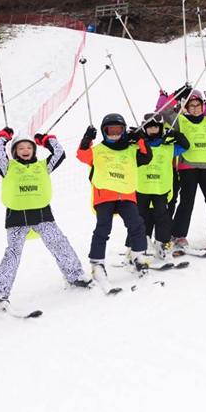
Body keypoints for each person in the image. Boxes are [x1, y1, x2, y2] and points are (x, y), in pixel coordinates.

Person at [0, 130, 90, 310]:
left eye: (29, 147)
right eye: (20, 147)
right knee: (13, 254)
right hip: (17, 217)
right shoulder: (8, 167)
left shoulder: (43, 166)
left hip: (42, 215)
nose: (25, 150)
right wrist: (2, 138)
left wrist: (47, 140)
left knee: (59, 243)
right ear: (14, 152)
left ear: (34, 150)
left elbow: (59, 153)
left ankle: (75, 275)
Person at [76, 113, 152, 285]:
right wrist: (87, 138)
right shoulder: (98, 151)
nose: (115, 134)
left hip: (126, 195)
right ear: (104, 132)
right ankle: (97, 263)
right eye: (111, 130)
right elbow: (82, 155)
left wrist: (140, 139)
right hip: (105, 195)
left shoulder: (131, 150)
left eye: (119, 130)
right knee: (103, 227)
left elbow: (146, 157)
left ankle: (138, 256)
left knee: (137, 224)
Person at [167, 89, 206, 250]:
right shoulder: (181, 120)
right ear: (186, 107)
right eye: (191, 105)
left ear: (203, 106)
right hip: (188, 166)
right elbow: (165, 112)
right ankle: (178, 234)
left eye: (197, 105)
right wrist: (175, 95)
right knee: (187, 201)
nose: (195, 108)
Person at [138, 113, 187, 256]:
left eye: (156, 127)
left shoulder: (168, 147)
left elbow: (185, 145)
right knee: (141, 218)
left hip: (161, 189)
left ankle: (162, 244)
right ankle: (140, 246)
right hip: (142, 189)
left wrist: (174, 134)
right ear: (144, 129)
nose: (153, 130)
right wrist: (133, 137)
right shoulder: (138, 147)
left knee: (163, 218)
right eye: (149, 128)